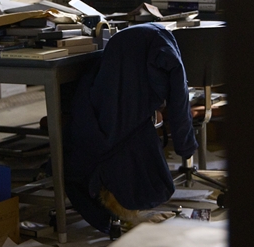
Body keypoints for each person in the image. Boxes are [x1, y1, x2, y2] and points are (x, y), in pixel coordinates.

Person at [65, 23, 198, 233]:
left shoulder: (152, 42)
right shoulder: (160, 41)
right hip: (127, 130)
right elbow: (179, 98)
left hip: (106, 130)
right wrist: (185, 145)